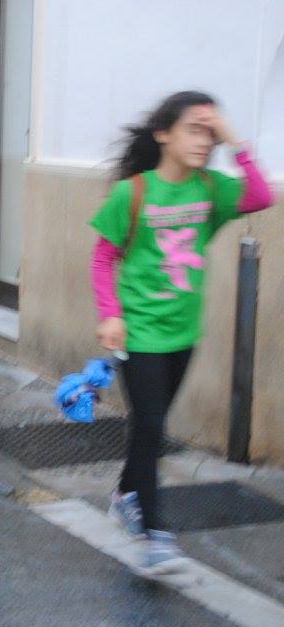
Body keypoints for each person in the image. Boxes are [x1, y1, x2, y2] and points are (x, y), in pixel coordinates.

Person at [90, 91, 273, 575]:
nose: (204, 141)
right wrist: (111, 314)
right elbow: (103, 258)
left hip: (183, 331)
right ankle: (154, 535)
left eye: (209, 133)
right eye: (194, 129)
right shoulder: (133, 193)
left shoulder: (210, 188)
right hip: (139, 332)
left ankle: (125, 496)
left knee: (149, 425)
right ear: (163, 134)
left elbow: (261, 196)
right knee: (152, 428)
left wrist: (233, 139)